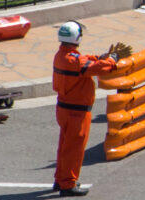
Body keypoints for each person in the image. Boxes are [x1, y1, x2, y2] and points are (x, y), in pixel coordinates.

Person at [52, 21, 118, 196]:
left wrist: (99, 56)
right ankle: (68, 184)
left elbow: (83, 61)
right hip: (77, 112)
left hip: (64, 109)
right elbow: (97, 68)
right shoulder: (74, 61)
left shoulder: (61, 56)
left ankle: (60, 179)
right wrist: (111, 61)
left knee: (64, 147)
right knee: (74, 149)